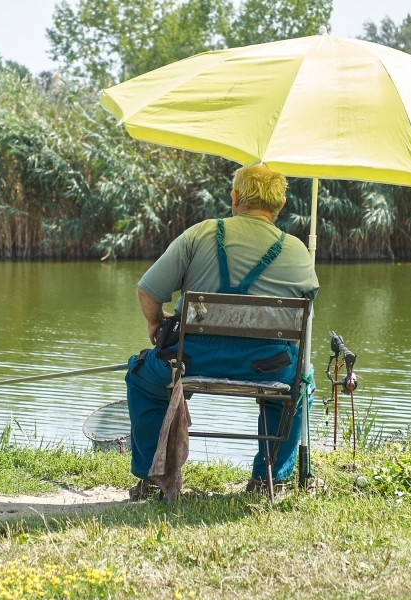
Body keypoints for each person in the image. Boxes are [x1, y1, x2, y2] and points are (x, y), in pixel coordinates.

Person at [125, 164, 319, 500]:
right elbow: (305, 318)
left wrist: (155, 323)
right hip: (266, 365)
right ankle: (268, 480)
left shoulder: (200, 234)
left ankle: (151, 479)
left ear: (234, 197)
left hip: (191, 361)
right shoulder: (297, 250)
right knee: (298, 386)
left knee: (144, 379)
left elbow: (149, 292)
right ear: (281, 204)